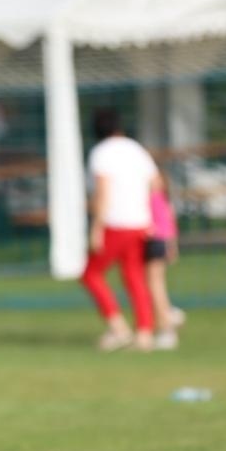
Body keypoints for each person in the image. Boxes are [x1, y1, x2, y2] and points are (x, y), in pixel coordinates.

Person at [80, 108, 157, 351]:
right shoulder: (136, 149)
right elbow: (156, 184)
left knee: (89, 273)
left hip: (115, 222)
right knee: (134, 277)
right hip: (141, 222)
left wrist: (96, 228)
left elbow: (103, 192)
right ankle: (144, 333)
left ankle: (119, 328)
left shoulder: (101, 153)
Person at [145, 177, 181, 350]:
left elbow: (160, 224)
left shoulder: (152, 199)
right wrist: (172, 245)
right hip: (161, 242)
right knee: (156, 284)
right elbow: (170, 224)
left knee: (154, 285)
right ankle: (168, 315)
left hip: (155, 242)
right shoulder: (162, 199)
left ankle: (166, 325)